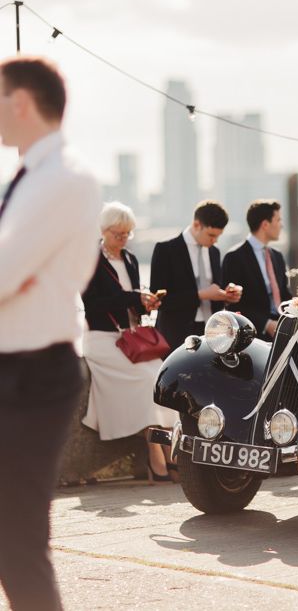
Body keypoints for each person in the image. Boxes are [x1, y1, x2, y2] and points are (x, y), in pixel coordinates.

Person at [0, 56, 101, 610]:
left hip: (34, 372)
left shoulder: (64, 177)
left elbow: (5, 272)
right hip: (13, 365)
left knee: (18, 539)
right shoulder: (29, 177)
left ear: (19, 101)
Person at [81, 201, 178, 481]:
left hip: (131, 338)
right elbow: (93, 304)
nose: (123, 239)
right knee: (147, 382)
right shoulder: (90, 260)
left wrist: (146, 303)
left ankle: (165, 455)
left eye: (127, 234)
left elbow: (131, 305)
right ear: (104, 230)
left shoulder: (131, 260)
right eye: (117, 234)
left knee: (161, 381)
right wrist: (133, 297)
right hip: (102, 339)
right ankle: (158, 459)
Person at [150, 200, 241, 353]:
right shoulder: (166, 249)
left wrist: (227, 295)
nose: (214, 241)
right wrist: (201, 295)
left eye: (218, 236)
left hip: (212, 333)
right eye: (211, 235)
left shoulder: (214, 252)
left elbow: (215, 288)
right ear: (197, 225)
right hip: (176, 334)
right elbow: (159, 300)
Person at [222, 199, 292, 340]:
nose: (282, 225)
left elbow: (284, 295)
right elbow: (233, 305)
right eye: (278, 220)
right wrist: (266, 324)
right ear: (265, 225)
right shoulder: (234, 257)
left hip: (284, 327)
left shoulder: (277, 256)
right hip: (254, 334)